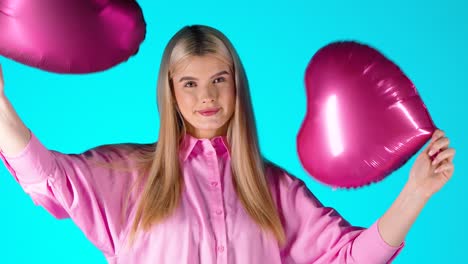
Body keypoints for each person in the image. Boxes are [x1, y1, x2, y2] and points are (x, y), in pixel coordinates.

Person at [0, 25, 455, 264]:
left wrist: (416, 192)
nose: (207, 97)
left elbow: (349, 258)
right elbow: (49, 177)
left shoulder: (273, 189)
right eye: (191, 83)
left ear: (237, 86)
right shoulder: (129, 175)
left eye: (220, 80)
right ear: (171, 93)